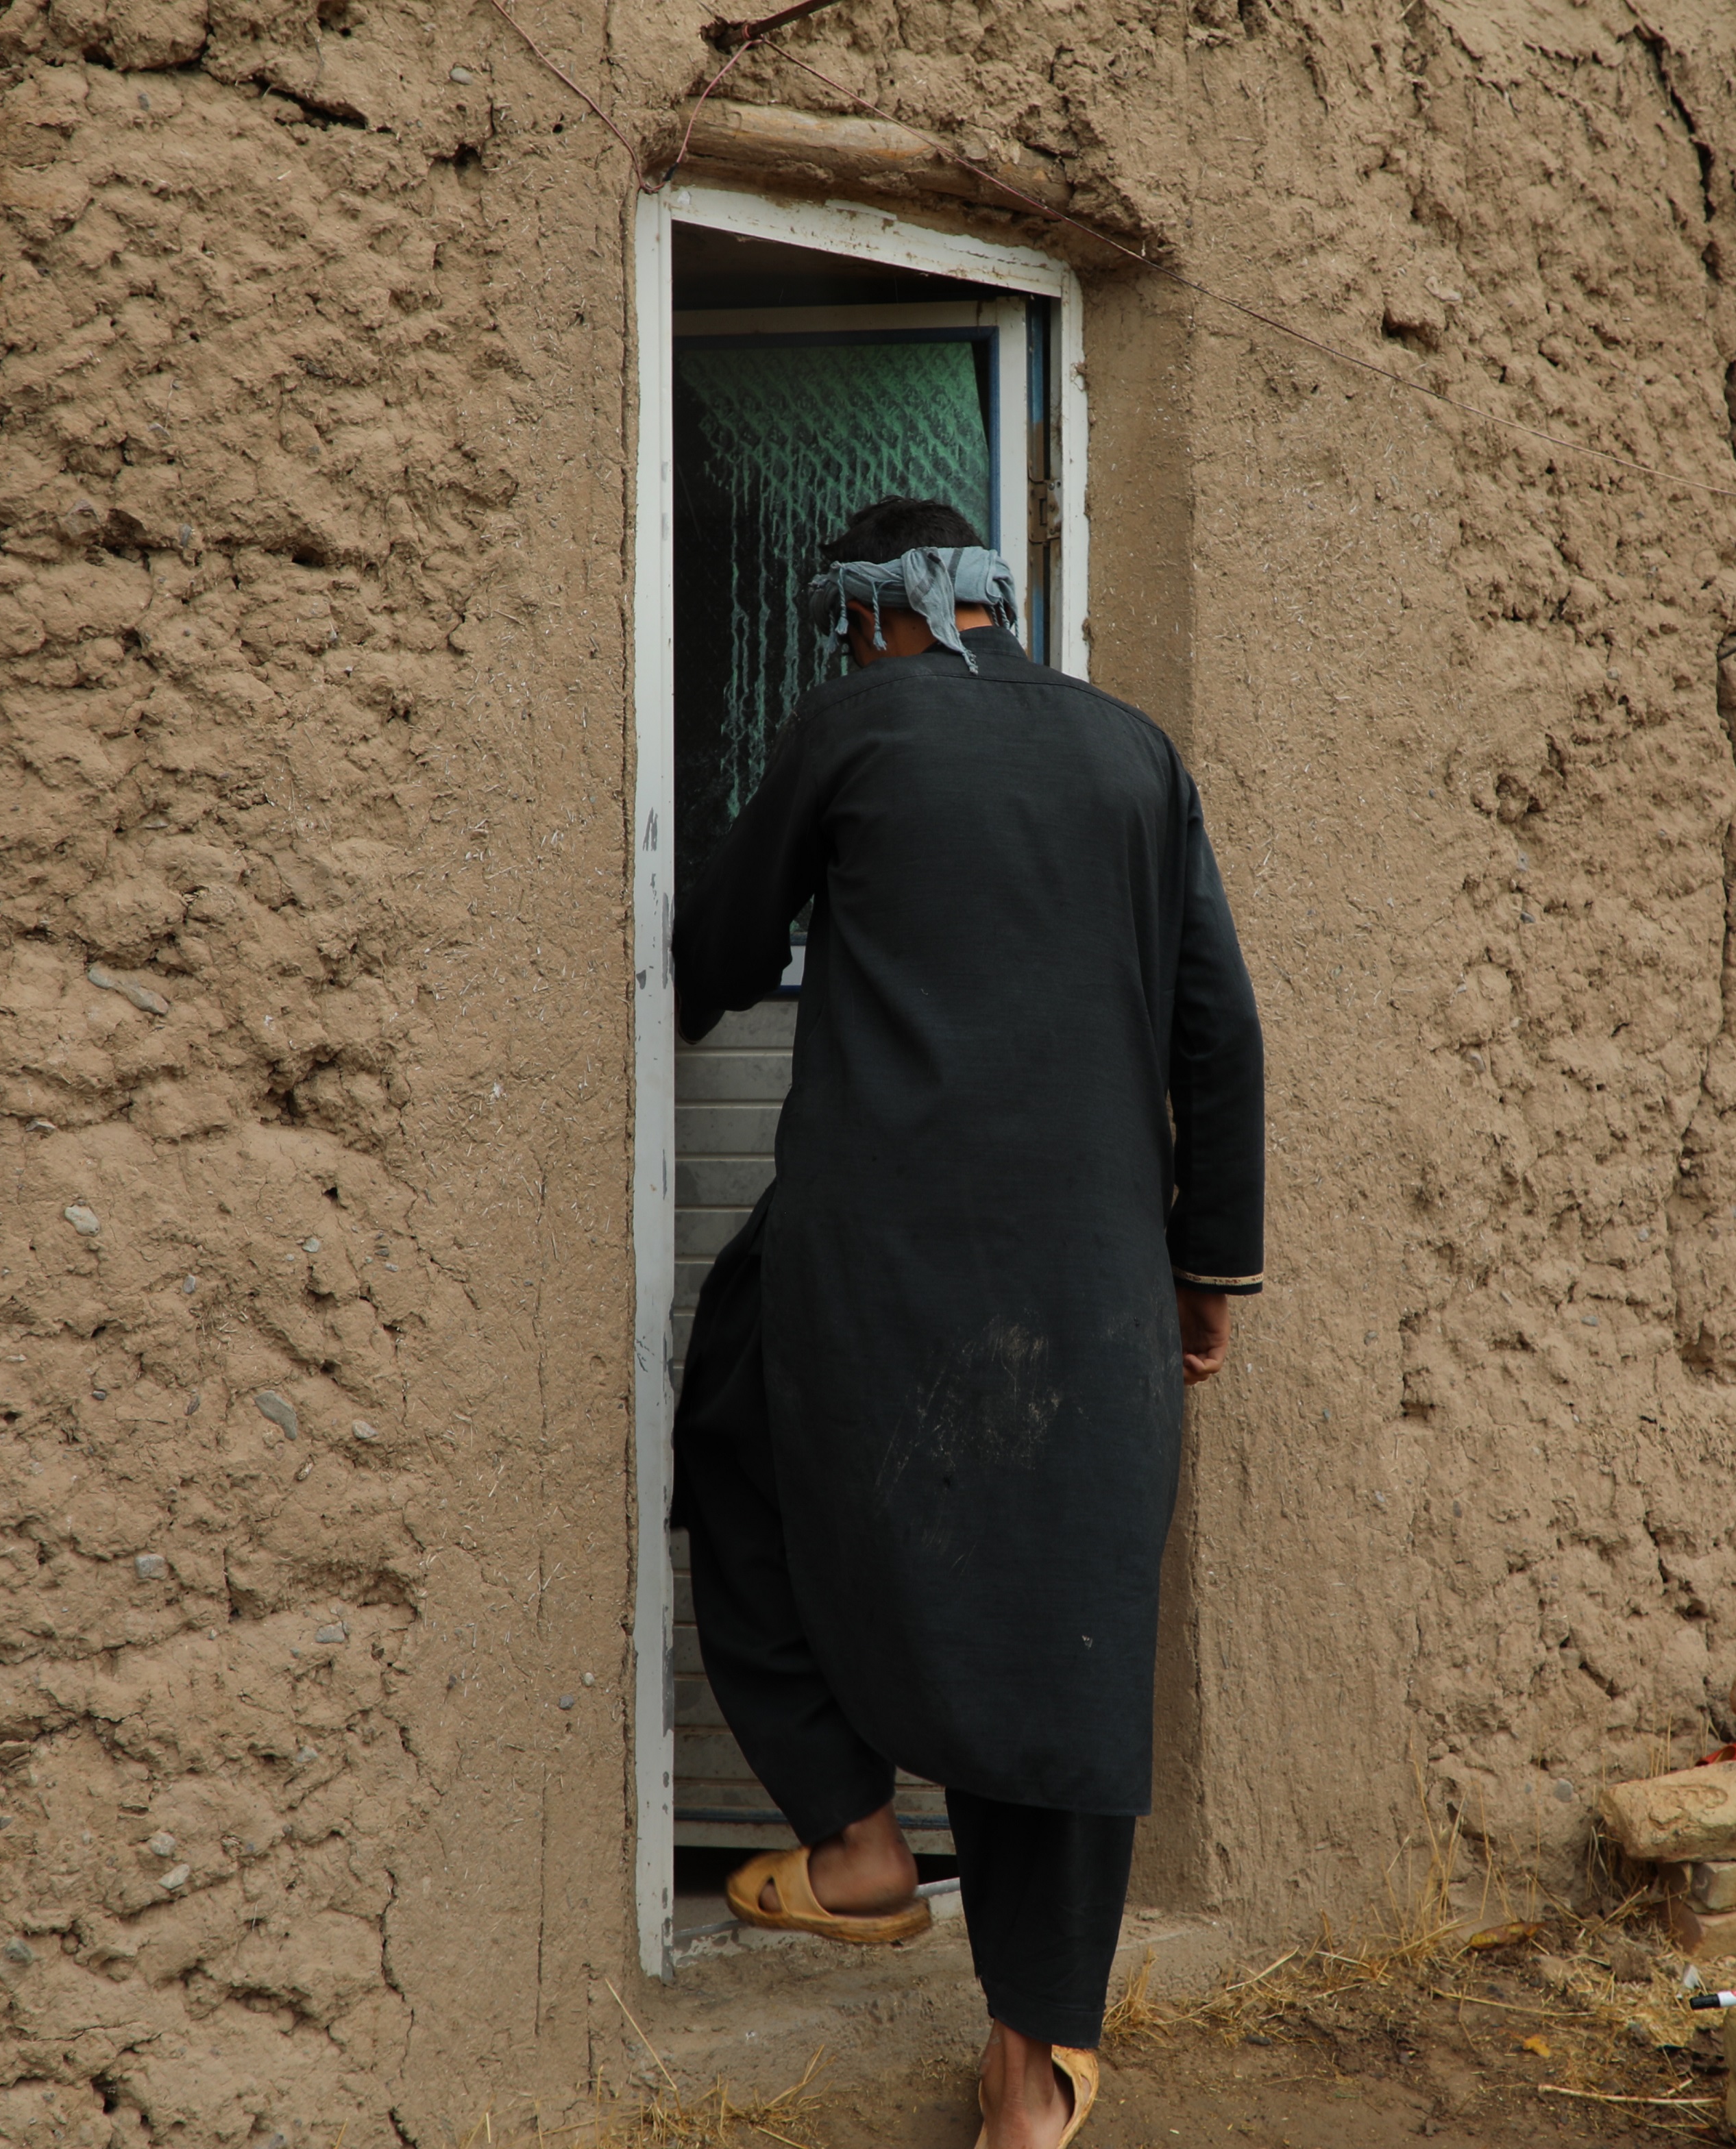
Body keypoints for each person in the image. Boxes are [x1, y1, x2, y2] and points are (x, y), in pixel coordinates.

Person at [670, 495, 1266, 2149]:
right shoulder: (1136, 755)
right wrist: (1206, 1269)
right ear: (999, 605)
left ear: (874, 614)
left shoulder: (852, 721)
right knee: (1059, 1628)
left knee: (731, 1413)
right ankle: (1029, 2072)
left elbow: (715, 941)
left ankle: (855, 1835)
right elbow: (1219, 1032)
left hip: (876, 1254)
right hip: (1093, 1277)